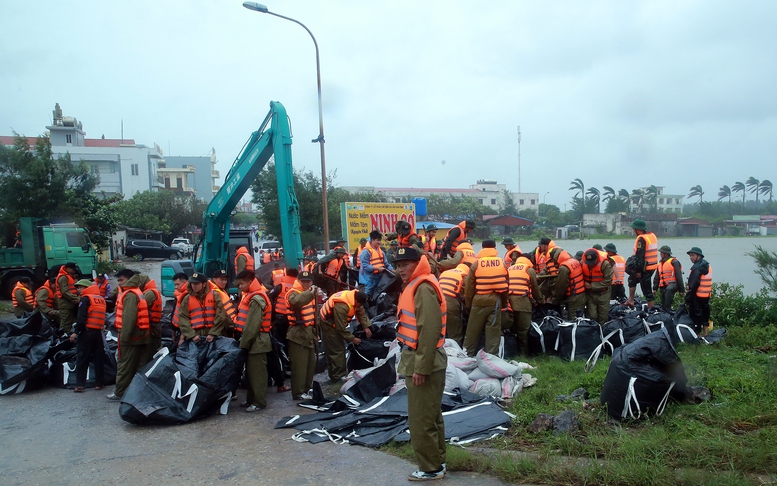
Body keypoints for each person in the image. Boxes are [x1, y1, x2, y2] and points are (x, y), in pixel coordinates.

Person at [394, 246, 447, 481]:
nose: (400, 269)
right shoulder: (419, 284)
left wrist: (421, 368)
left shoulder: (423, 288)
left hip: (423, 360)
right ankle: (437, 461)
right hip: (420, 358)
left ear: (417, 263)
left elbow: (430, 330)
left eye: (405, 264)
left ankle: (430, 468)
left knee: (421, 418)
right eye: (397, 265)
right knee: (431, 415)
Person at [107, 269, 151, 401]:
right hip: (141, 335)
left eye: (121, 280)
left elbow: (129, 318)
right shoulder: (137, 292)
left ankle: (120, 392)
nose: (119, 283)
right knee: (140, 365)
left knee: (124, 365)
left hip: (131, 337)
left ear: (129, 279)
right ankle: (139, 392)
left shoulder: (130, 294)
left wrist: (124, 338)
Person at [235, 269, 273, 412]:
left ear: (250, 282)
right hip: (253, 341)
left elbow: (252, 326)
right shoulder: (251, 295)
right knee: (251, 373)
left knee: (257, 374)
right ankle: (251, 399)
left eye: (241, 284)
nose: (240, 287)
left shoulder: (256, 299)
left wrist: (243, 344)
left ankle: (259, 402)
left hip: (257, 342)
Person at [463, 240, 508, 357]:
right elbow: (505, 285)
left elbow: (469, 287)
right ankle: (491, 359)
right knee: (493, 332)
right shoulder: (501, 263)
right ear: (494, 248)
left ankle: (467, 355)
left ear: (482, 248)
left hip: (478, 300)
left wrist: (468, 304)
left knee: (472, 331)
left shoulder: (476, 264)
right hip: (495, 301)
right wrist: (504, 305)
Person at [319, 289, 372, 382]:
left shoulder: (356, 298)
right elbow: (340, 328)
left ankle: (335, 375)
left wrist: (366, 327)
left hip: (337, 323)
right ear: (356, 301)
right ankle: (338, 377)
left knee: (336, 349)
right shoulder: (342, 306)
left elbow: (361, 313)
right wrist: (352, 339)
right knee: (337, 350)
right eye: (360, 304)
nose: (361, 306)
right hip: (328, 325)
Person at [285, 271, 318, 400]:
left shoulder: (311, 293)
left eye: (308, 281)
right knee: (299, 366)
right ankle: (298, 393)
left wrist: (316, 333)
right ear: (298, 281)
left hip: (309, 333)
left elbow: (315, 316)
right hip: (297, 334)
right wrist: (310, 293)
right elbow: (296, 302)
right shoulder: (292, 293)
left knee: (310, 365)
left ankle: (307, 389)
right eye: (303, 281)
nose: (305, 284)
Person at [69, 279, 106, 393]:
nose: (78, 290)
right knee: (98, 358)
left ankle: (80, 384)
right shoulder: (100, 299)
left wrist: (75, 332)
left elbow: (81, 318)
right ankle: (99, 383)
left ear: (86, 288)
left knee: (82, 358)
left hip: (86, 332)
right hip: (98, 332)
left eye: (80, 287)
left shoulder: (85, 299)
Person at [176, 272, 227, 344]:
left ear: (204, 284)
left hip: (214, 334)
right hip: (195, 335)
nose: (194, 286)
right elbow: (183, 318)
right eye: (192, 283)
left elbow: (220, 315)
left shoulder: (214, 295)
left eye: (196, 283)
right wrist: (192, 335)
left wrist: (213, 333)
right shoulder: (187, 299)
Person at [506, 256, 542, 355]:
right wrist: (540, 300)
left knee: (512, 329)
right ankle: (524, 354)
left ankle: (512, 352)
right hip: (523, 303)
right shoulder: (529, 270)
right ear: (529, 261)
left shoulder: (509, 269)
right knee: (523, 330)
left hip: (509, 303)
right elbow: (535, 288)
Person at [625, 219, 658, 310]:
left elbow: (640, 256)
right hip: (652, 266)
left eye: (634, 229)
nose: (633, 231)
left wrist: (638, 271)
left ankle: (651, 309)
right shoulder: (652, 236)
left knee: (646, 288)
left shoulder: (642, 239)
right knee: (632, 279)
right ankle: (631, 300)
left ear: (638, 230)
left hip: (645, 268)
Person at [438, 263, 470, 345]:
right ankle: (455, 353)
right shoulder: (464, 276)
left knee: (439, 331)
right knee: (455, 332)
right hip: (450, 302)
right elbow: (468, 295)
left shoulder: (445, 273)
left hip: (436, 301)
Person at [549, 248, 586, 320]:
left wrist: (555, 300)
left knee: (573, 320)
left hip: (573, 298)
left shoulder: (564, 268)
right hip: (581, 295)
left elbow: (561, 286)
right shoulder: (574, 261)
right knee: (579, 317)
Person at [581, 248, 613, 324]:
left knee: (603, 317)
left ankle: (602, 332)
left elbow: (608, 281)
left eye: (592, 262)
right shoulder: (582, 262)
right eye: (588, 262)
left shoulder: (605, 264)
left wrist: (592, 286)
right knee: (592, 316)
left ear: (597, 258)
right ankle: (592, 331)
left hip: (603, 294)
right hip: (590, 295)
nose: (590, 264)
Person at [685, 247, 712, 335]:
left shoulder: (696, 268)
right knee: (705, 313)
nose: (691, 257)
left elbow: (693, 285)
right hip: (706, 295)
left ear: (699, 256)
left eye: (692, 255)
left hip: (697, 295)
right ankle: (705, 333)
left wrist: (688, 299)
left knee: (695, 315)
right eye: (690, 256)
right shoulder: (707, 265)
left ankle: (697, 334)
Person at [138, 274, 163, 363]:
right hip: (153, 327)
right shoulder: (150, 292)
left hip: (152, 328)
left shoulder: (150, 293)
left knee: (149, 354)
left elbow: (137, 308)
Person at [653, 245, 685, 311]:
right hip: (663, 286)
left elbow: (679, 276)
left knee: (669, 290)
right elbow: (657, 277)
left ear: (665, 254)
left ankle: (668, 309)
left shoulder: (674, 262)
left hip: (673, 283)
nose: (660, 254)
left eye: (661, 253)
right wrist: (655, 288)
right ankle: (665, 311)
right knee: (663, 301)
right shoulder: (660, 263)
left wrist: (681, 290)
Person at [359, 230, 389, 297]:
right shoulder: (365, 252)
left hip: (380, 277)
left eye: (380, 240)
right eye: (377, 240)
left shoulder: (381, 252)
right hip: (369, 278)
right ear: (372, 240)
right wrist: (377, 268)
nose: (379, 242)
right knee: (368, 294)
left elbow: (386, 264)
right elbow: (365, 267)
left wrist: (394, 272)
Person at [210, 269, 237, 338]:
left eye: (225, 280)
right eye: (221, 280)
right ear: (214, 279)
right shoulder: (214, 293)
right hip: (222, 326)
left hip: (229, 324)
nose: (224, 282)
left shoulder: (221, 291)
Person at [56, 262, 80, 333]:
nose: (74, 271)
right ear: (68, 269)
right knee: (65, 322)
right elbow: (64, 291)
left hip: (69, 303)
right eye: (73, 269)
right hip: (65, 303)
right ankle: (63, 336)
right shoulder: (63, 277)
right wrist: (76, 299)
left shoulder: (69, 276)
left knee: (70, 321)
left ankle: (68, 335)